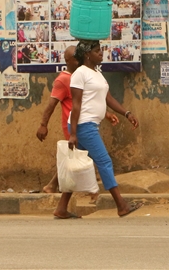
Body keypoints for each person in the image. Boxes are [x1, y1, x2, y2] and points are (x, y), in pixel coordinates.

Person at [53, 40, 142, 219]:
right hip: (83, 125)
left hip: (89, 125)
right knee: (104, 161)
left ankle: (61, 208)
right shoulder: (80, 74)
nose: (101, 54)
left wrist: (127, 113)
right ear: (87, 55)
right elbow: (76, 105)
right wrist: (73, 134)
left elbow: (108, 98)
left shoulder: (97, 73)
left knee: (75, 167)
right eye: (97, 51)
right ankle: (121, 205)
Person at [37, 45, 119, 194]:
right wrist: (43, 124)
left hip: (84, 123)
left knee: (76, 159)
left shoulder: (84, 75)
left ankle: (57, 192)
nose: (80, 60)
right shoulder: (63, 80)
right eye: (76, 58)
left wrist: (106, 114)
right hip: (76, 125)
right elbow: (52, 104)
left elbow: (90, 101)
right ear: (68, 61)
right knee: (92, 159)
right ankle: (98, 193)